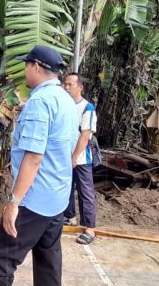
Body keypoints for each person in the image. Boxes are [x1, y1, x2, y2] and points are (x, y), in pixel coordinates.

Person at [0, 45, 79, 286]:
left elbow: (34, 157)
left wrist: (14, 202)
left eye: (27, 65)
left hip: (34, 198)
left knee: (1, 258)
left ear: (36, 66)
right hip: (57, 198)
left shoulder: (41, 101)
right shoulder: (67, 100)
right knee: (48, 261)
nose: (25, 70)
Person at [62, 73, 98, 245]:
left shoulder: (87, 108)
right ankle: (70, 217)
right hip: (64, 156)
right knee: (66, 188)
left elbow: (85, 136)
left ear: (80, 87)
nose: (67, 87)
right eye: (65, 84)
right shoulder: (64, 105)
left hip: (81, 158)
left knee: (85, 192)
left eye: (70, 85)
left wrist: (74, 157)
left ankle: (90, 228)